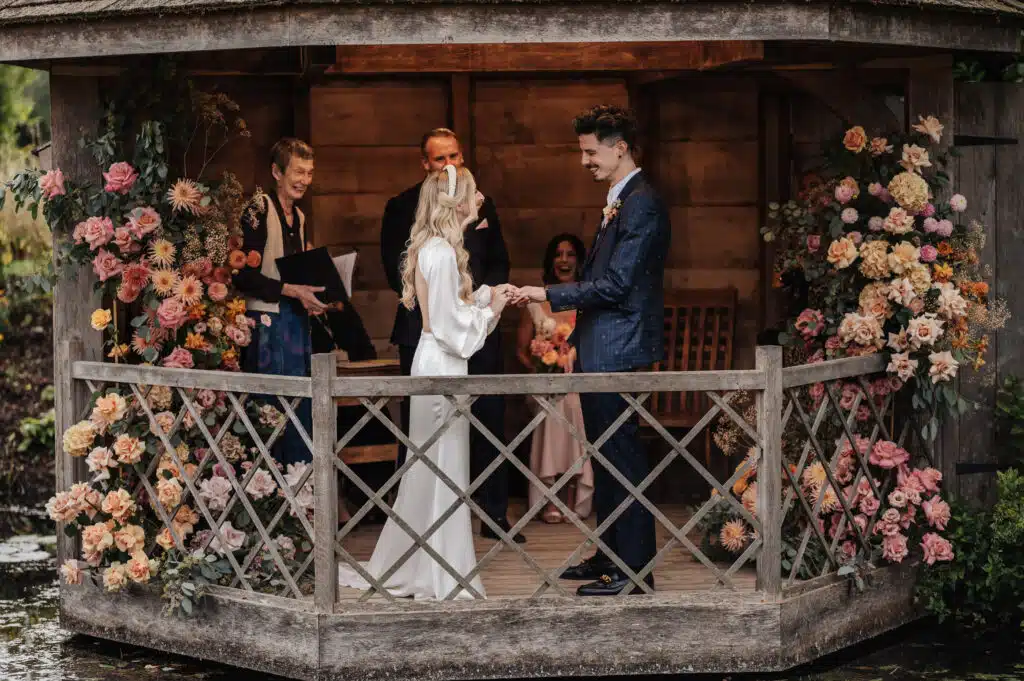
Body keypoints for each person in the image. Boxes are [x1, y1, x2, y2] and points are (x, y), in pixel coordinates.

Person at [338, 165, 517, 600]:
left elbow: (447, 310)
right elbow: (448, 328)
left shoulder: (435, 250)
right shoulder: (438, 253)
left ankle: (427, 564)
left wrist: (482, 298)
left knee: (435, 468)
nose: (480, 201)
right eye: (475, 194)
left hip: (436, 361)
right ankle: (439, 572)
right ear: (456, 203)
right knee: (440, 468)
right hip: (441, 365)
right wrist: (490, 312)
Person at [515, 106, 670, 596]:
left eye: (590, 151)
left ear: (620, 146)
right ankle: (609, 557)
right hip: (603, 346)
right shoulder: (621, 199)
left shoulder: (641, 202)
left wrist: (548, 294)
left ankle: (634, 571)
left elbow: (618, 283)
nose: (584, 161)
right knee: (603, 456)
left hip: (619, 347)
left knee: (621, 457)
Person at [380, 128, 523, 543]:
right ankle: (430, 525)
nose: (449, 166)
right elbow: (398, 270)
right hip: (432, 329)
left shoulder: (481, 203)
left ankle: (493, 515)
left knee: (487, 422)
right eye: (439, 159)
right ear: (425, 164)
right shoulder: (403, 208)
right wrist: (464, 308)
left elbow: (499, 261)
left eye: (454, 156)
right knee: (428, 435)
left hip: (475, 325)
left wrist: (484, 302)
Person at [234, 138, 328, 468]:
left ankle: (300, 492)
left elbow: (295, 274)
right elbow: (242, 277)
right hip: (267, 325)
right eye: (298, 172)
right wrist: (292, 291)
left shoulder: (299, 217)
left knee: (300, 407)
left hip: (295, 326)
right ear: (276, 171)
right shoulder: (258, 209)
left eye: (310, 173)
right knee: (270, 411)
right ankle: (271, 497)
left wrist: (316, 297)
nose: (305, 179)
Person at [515, 234, 593, 523]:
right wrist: (542, 365)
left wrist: (572, 362)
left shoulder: (587, 299)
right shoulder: (536, 302)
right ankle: (552, 495)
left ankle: (572, 494)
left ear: (579, 260)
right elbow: (521, 351)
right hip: (544, 383)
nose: (563, 260)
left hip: (579, 382)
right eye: (558, 254)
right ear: (550, 261)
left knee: (572, 401)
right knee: (555, 405)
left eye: (570, 254)